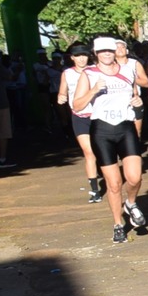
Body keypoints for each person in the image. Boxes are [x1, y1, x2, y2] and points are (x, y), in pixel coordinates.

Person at [73, 36, 148, 243]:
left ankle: (131, 203)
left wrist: (138, 100)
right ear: (95, 54)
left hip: (125, 127)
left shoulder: (127, 70)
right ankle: (118, 224)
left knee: (134, 177)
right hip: (102, 130)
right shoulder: (89, 74)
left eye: (109, 50)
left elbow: (135, 95)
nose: (107, 54)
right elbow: (77, 105)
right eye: (102, 52)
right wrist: (94, 90)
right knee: (114, 183)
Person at [54, 43, 103, 200]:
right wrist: (61, 98)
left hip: (98, 115)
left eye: (84, 55)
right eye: (78, 56)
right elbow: (62, 93)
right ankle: (95, 190)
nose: (82, 59)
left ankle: (108, 175)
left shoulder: (96, 71)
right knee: (88, 152)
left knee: (101, 151)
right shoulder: (67, 74)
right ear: (72, 58)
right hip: (80, 116)